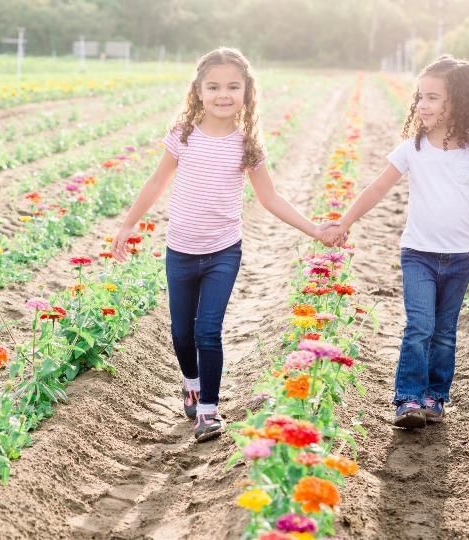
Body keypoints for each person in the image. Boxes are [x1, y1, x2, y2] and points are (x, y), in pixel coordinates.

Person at [111, 47, 342, 442]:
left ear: (246, 92)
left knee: (208, 330)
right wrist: (127, 225)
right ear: (198, 91)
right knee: (181, 332)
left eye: (233, 87)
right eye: (214, 86)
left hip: (223, 251)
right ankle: (191, 383)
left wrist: (316, 230)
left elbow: (270, 199)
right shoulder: (183, 135)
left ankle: (208, 411)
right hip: (181, 250)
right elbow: (156, 183)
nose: (223, 94)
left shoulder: (247, 144)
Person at [323, 55, 469, 429]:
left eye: (433, 97)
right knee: (419, 326)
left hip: (459, 257)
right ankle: (407, 399)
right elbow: (377, 187)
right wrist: (345, 221)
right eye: (420, 96)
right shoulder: (412, 148)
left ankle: (435, 396)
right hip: (417, 253)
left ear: (460, 102)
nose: (422, 104)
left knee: (445, 331)